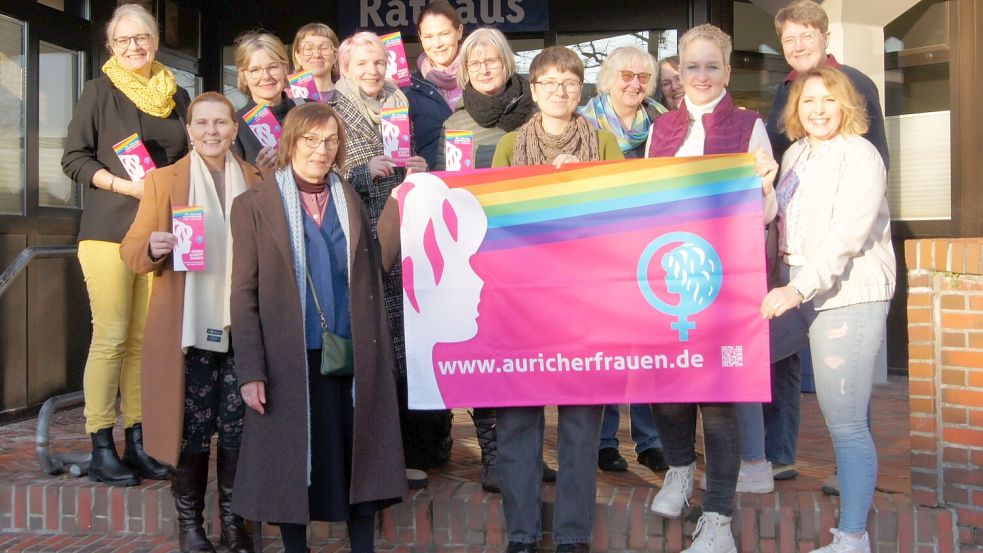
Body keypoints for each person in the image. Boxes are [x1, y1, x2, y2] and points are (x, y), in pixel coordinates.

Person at [229, 102, 406, 553]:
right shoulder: (253, 205)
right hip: (291, 359)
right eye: (310, 139)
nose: (320, 149)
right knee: (295, 465)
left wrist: (404, 207)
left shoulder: (348, 196)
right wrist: (250, 371)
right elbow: (243, 294)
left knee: (356, 457)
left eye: (330, 140)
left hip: (351, 352)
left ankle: (362, 547)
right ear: (291, 142)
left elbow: (372, 268)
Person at [643, 24, 778, 553]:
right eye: (692, 66)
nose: (701, 76)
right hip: (667, 274)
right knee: (669, 384)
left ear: (727, 70)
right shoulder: (663, 129)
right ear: (680, 70)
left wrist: (764, 183)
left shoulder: (750, 125)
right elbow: (646, 201)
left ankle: (718, 517)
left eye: (711, 66)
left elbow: (767, 213)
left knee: (719, 400)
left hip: (723, 281)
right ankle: (679, 469)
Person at [492, 46, 623, 553]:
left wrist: (584, 181)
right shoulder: (508, 146)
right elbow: (493, 222)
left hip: (585, 306)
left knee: (581, 425)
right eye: (548, 83)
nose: (559, 91)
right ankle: (522, 534)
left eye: (569, 82)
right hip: (521, 307)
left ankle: (572, 534)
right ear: (533, 90)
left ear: (581, 88)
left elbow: (623, 217)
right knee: (519, 424)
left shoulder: (604, 141)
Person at [120, 92, 262, 553]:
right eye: (202, 123)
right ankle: (191, 526)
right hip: (189, 328)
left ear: (235, 129)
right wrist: (155, 246)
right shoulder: (164, 182)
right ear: (189, 130)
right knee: (194, 429)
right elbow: (131, 251)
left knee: (239, 429)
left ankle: (237, 525)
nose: (212, 132)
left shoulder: (260, 179)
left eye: (221, 123)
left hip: (244, 327)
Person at [762, 66, 894, 553]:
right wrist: (764, 186)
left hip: (847, 294)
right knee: (744, 358)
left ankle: (852, 535)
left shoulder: (861, 156)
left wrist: (795, 291)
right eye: (808, 100)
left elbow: (845, 238)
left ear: (846, 107)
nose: (818, 110)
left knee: (845, 421)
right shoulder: (795, 154)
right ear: (795, 108)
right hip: (799, 289)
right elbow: (777, 223)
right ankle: (756, 463)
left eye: (828, 100)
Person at [61, 3, 188, 487]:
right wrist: (124, 187)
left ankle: (138, 441)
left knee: (142, 342)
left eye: (142, 38)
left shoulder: (176, 95)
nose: (134, 47)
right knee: (111, 336)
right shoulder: (99, 91)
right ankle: (100, 444)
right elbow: (73, 159)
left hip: (160, 232)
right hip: (109, 230)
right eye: (123, 40)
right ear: (111, 46)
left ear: (156, 41)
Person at [430, 27, 550, 494]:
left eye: (492, 61)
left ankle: (530, 452)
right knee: (487, 351)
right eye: (474, 63)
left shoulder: (537, 114)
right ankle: (494, 456)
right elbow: (447, 188)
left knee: (533, 354)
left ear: (508, 64)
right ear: (464, 71)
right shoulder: (454, 124)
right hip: (480, 253)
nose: (483, 68)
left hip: (532, 250)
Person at [331, 31, 435, 485]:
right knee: (371, 349)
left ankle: (405, 453)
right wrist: (358, 170)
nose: (373, 71)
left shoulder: (400, 103)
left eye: (378, 63)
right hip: (358, 235)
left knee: (403, 347)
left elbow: (404, 158)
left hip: (402, 232)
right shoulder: (332, 110)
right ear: (345, 69)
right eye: (362, 65)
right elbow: (313, 170)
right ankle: (368, 461)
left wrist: (416, 167)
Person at [578, 45, 668, 474]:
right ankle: (604, 441)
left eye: (643, 78)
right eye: (626, 76)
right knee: (609, 351)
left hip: (651, 251)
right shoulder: (585, 125)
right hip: (601, 254)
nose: (635, 84)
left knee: (649, 351)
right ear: (608, 80)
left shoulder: (665, 124)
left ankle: (651, 440)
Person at [232, 31, 305, 170]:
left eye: (273, 67)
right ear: (243, 76)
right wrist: (258, 172)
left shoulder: (307, 108)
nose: (265, 76)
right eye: (254, 70)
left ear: (284, 68)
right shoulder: (235, 125)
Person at [404, 0, 464, 170]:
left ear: (459, 32)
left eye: (444, 33)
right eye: (429, 36)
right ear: (420, 37)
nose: (437, 44)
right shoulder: (409, 89)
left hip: (477, 184)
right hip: (431, 188)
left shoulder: (479, 80)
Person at [291, 23, 340, 103]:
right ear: (298, 57)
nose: (317, 55)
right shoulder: (286, 98)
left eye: (324, 48)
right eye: (309, 49)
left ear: (335, 55)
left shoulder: (348, 95)